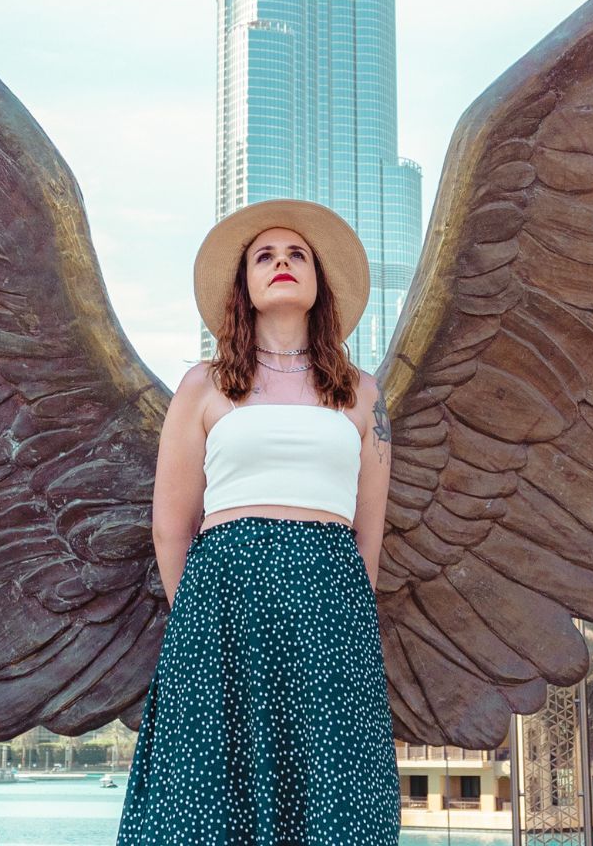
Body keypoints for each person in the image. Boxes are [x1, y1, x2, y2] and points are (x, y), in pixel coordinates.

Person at [116, 199, 401, 845]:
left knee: (330, 780)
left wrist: (345, 615)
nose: (281, 263)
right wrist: (198, 621)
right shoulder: (204, 385)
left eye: (296, 254)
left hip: (331, 606)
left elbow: (370, 531)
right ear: (244, 285)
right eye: (264, 256)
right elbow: (171, 526)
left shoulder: (362, 393)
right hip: (221, 604)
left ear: (318, 283)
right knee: (218, 786)